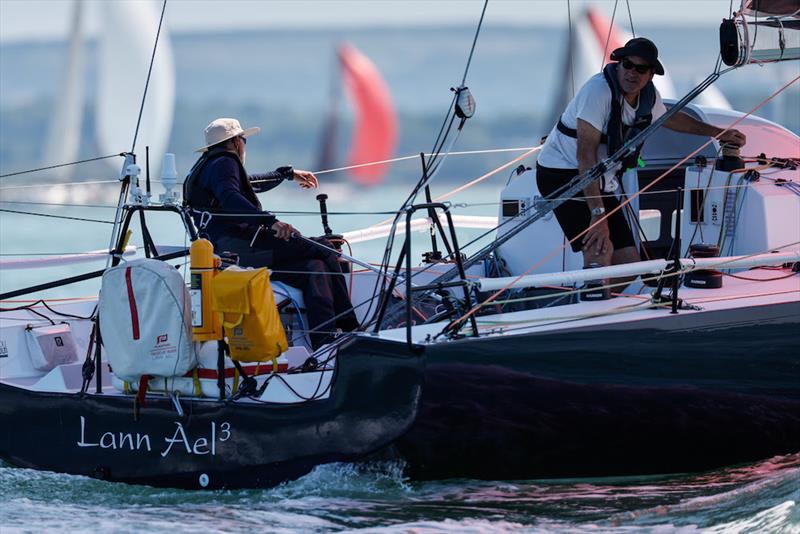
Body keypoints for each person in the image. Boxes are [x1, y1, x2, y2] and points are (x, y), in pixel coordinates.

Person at [536, 37, 746, 278]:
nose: (632, 73)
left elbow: (671, 119)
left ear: (651, 75)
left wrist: (718, 133)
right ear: (618, 64)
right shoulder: (598, 92)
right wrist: (597, 216)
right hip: (561, 174)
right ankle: (591, 307)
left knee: (629, 264)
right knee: (600, 247)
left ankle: (605, 308)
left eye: (641, 69)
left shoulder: (648, 96)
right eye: (627, 64)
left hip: (597, 178)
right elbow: (585, 155)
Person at [184, 117, 358, 349]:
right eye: (244, 140)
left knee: (313, 268)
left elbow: (250, 183)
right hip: (246, 248)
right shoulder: (225, 162)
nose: (245, 145)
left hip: (234, 252)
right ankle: (350, 328)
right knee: (326, 249)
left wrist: (286, 174)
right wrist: (271, 223)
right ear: (236, 142)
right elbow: (231, 197)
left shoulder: (209, 165)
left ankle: (324, 340)